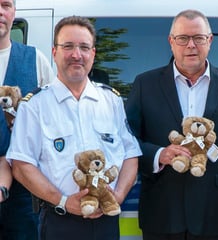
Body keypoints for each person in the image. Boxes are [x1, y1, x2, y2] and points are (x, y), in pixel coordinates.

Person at [125, 9, 218, 240]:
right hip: (161, 212)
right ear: (171, 42)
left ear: (210, 40)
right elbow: (127, 142)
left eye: (198, 38)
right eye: (183, 38)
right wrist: (159, 155)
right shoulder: (145, 84)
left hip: (215, 214)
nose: (191, 45)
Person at [6, 15, 142, 239]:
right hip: (60, 221)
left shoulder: (112, 101)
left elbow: (131, 155)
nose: (76, 55)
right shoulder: (34, 106)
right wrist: (64, 201)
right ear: (54, 52)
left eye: (84, 47)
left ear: (93, 54)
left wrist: (117, 196)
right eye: (68, 46)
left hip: (107, 223)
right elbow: (21, 165)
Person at [0, 0, 55, 238]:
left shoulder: (35, 59)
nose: (0, 11)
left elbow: (54, 118)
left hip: (25, 192)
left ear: (14, 12)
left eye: (5, 4)